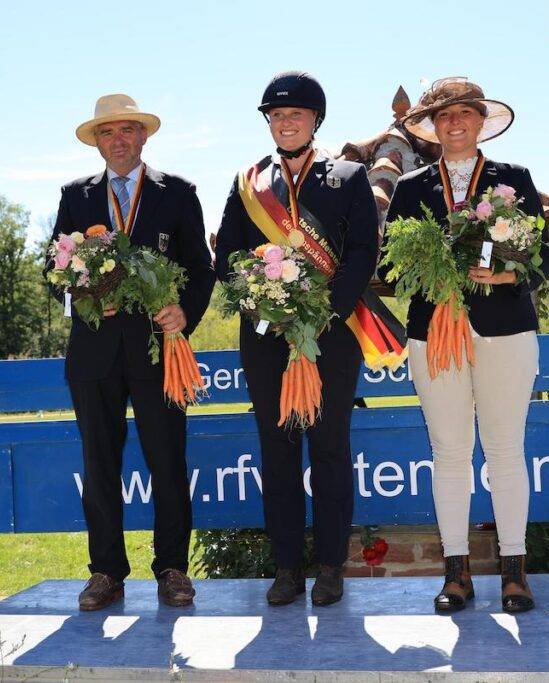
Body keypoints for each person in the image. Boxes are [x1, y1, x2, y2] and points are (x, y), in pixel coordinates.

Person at [383, 77, 549, 614]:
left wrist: (505, 277)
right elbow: (395, 268)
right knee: (450, 454)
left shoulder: (514, 179)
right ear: (432, 127)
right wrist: (433, 275)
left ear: (482, 121)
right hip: (435, 333)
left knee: (506, 452)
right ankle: (455, 574)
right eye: (444, 115)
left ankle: (514, 573)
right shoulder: (411, 188)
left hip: (507, 330)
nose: (454, 123)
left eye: (465, 113)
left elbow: (544, 261)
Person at [214, 71, 384, 607]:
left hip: (332, 336)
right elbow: (228, 262)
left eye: (296, 115)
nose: (286, 123)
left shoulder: (349, 176)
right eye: (277, 115)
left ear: (316, 120)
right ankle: (287, 568)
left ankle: (331, 566)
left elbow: (362, 254)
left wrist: (322, 312)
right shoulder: (247, 183)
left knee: (331, 449)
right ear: (269, 122)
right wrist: (270, 305)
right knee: (278, 451)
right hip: (266, 338)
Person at [43, 93, 215, 611]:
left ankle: (172, 569)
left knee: (167, 461)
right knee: (99, 466)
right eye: (106, 133)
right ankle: (106, 573)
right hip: (93, 355)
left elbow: (201, 269)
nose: (117, 141)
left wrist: (185, 312)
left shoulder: (178, 193)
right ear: (97, 143)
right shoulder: (75, 196)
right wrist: (84, 292)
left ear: (143, 136)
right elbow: (55, 273)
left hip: (160, 352)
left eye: (126, 131)